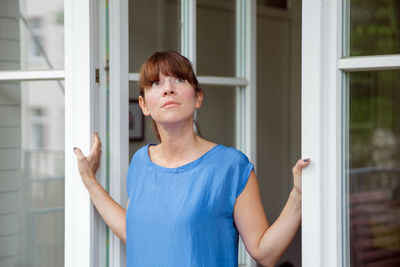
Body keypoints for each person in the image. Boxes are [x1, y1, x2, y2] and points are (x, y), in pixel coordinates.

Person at [73, 50, 311, 267]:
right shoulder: (140, 162)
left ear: (198, 97)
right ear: (144, 105)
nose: (168, 89)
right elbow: (135, 231)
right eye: (156, 83)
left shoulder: (231, 167)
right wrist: (90, 181)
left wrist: (298, 197)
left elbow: (264, 253)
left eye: (179, 79)